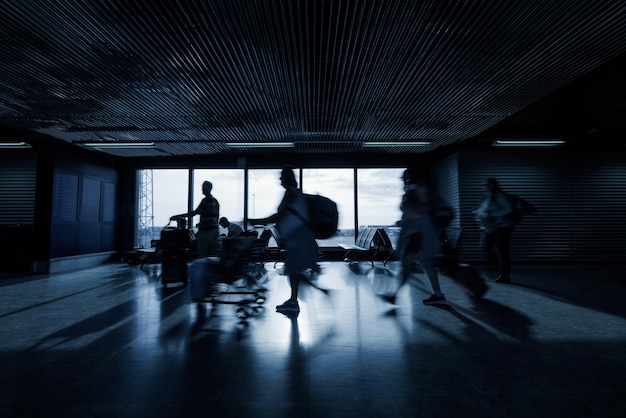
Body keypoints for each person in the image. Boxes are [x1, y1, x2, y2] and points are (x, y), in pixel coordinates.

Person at [248, 168, 321, 314]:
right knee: (293, 270)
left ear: (287, 178)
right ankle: (295, 300)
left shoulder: (290, 193)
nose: (280, 180)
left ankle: (296, 300)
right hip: (300, 238)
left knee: (293, 270)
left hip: (298, 238)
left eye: (281, 177)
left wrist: (257, 221)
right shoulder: (297, 193)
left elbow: (279, 215)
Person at [383, 168, 446, 305]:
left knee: (408, 264)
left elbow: (424, 210)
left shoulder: (419, 189)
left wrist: (408, 209)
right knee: (426, 264)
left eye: (406, 178)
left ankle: (395, 295)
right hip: (415, 232)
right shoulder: (410, 191)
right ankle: (438, 294)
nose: (404, 181)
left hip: (419, 233)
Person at [472, 177, 514, 283]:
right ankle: (495, 268)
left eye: (487, 184)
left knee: (502, 251)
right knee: (485, 245)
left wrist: (491, 214)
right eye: (484, 185)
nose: (484, 187)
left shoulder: (499, 196)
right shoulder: (486, 197)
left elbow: (508, 209)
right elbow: (484, 210)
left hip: (502, 227)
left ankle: (504, 275)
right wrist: (478, 213)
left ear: (493, 185)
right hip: (489, 227)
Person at [171, 181, 220, 257]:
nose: (202, 189)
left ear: (206, 188)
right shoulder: (215, 201)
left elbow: (195, 213)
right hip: (215, 231)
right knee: (214, 255)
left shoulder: (205, 200)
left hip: (205, 232)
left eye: (203, 187)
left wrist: (178, 216)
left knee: (202, 254)